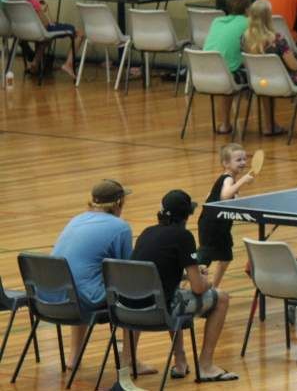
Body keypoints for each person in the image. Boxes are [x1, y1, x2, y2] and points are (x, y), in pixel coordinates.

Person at [130, 190, 238, 382]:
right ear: (187, 215)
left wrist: (188, 273)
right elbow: (198, 288)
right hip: (160, 311)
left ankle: (180, 362)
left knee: (174, 293)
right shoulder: (183, 236)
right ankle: (205, 366)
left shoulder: (147, 233)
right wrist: (208, 281)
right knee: (221, 298)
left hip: (131, 310)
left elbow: (159, 272)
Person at [51, 180, 153, 374]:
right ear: (118, 202)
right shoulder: (120, 227)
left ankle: (73, 357)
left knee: (79, 284)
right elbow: (126, 272)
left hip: (52, 296)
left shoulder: (76, 219)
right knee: (133, 294)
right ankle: (128, 361)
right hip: (82, 300)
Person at [243, 0, 297, 137]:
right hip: (282, 83)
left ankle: (269, 125)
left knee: (268, 80)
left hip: (259, 83)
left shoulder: (245, 39)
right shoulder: (277, 39)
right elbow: (294, 65)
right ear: (268, 17)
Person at [196, 143, 254, 287]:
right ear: (226, 163)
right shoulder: (227, 178)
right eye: (238, 160)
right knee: (204, 259)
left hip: (221, 225)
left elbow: (210, 196)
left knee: (226, 257)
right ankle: (189, 284)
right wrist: (242, 181)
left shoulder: (226, 179)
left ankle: (214, 287)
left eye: (244, 159)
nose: (243, 163)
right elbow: (225, 196)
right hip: (211, 226)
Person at [11, 0, 84, 78]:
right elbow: (45, 25)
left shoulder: (9, 1)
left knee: (45, 37)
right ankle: (68, 64)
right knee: (79, 33)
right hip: (39, 32)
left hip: (20, 34)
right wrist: (49, 20)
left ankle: (35, 63)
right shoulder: (33, 2)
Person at [202, 0, 255, 134]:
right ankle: (269, 125)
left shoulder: (217, 21)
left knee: (226, 71)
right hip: (227, 76)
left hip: (202, 75)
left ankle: (225, 124)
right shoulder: (248, 23)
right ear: (247, 10)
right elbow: (254, 50)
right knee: (261, 75)